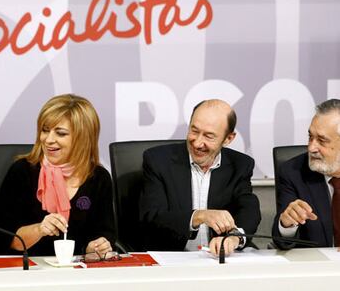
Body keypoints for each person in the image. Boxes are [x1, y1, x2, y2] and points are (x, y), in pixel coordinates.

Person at [139, 99, 261, 256]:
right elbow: (152, 216)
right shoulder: (157, 161)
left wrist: (233, 238)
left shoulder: (241, 165)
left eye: (209, 136)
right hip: (172, 258)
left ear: (228, 139)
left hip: (217, 259)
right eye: (194, 131)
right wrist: (198, 216)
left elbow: (248, 209)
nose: (197, 143)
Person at [0, 94, 115, 256]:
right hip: (27, 269)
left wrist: (96, 248)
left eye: (60, 133)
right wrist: (39, 229)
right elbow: (5, 238)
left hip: (78, 271)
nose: (48, 140)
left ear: (82, 138)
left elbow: (105, 233)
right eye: (45, 130)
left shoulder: (99, 177)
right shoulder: (22, 171)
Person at [272, 99, 340, 248]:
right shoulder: (293, 172)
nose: (311, 148)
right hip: (319, 268)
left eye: (322, 140)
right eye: (310, 137)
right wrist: (287, 224)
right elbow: (282, 242)